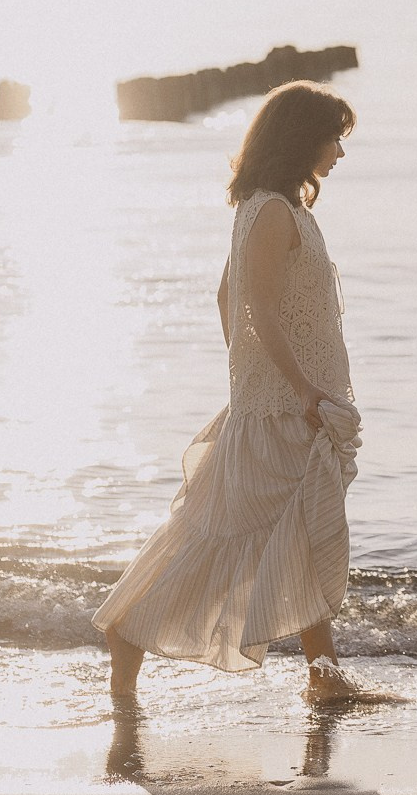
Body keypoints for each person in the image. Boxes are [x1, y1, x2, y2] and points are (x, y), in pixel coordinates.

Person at [94, 80, 380, 705]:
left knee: (288, 534)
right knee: (219, 536)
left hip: (271, 403)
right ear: (302, 137)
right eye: (334, 137)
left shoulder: (264, 205)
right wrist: (297, 387)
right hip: (283, 408)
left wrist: (250, 378)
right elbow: (258, 309)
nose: (339, 151)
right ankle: (125, 631)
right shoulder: (273, 211)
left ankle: (323, 678)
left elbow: (229, 298)